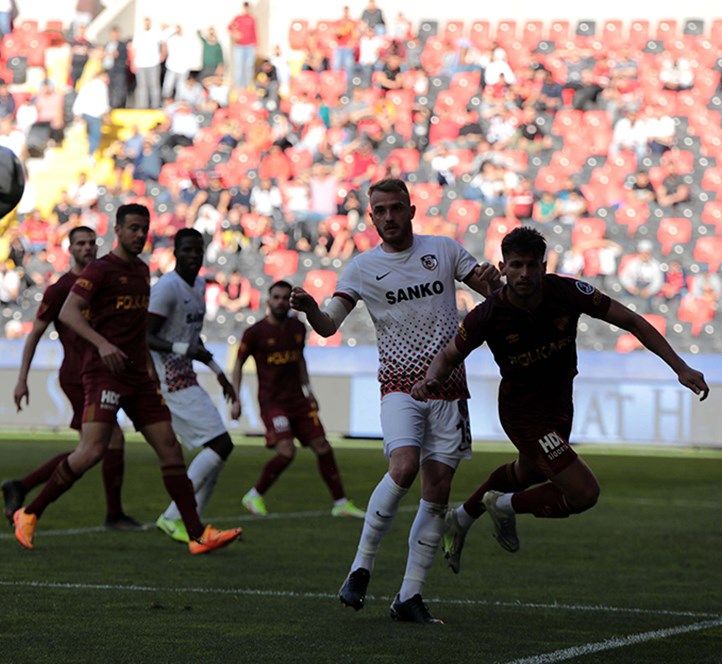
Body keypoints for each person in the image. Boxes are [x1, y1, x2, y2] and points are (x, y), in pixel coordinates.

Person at [412, 226, 708, 574]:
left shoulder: (567, 292)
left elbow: (631, 320)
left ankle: (461, 517)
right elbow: (448, 356)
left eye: (532, 265)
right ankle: (503, 506)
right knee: (583, 493)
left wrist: (680, 367)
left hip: (559, 407)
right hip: (522, 413)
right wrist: (430, 381)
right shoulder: (489, 315)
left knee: (526, 472)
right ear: (503, 267)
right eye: (516, 265)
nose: (524, 274)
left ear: (545, 265)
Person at [290, 177, 499, 624]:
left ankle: (409, 596)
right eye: (380, 211)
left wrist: (496, 282)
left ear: (411, 209)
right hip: (399, 385)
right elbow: (329, 326)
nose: (388, 217)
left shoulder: (443, 250)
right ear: (371, 216)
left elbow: (492, 296)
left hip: (449, 389)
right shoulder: (362, 268)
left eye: (396, 208)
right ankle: (360, 566)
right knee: (403, 467)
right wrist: (310, 309)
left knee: (437, 491)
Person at [11, 204, 242, 555]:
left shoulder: (141, 270)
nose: (139, 234)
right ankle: (29, 512)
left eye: (143, 228)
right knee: (90, 452)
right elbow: (69, 313)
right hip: (103, 373)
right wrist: (102, 345)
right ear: (117, 230)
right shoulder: (101, 270)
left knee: (170, 449)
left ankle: (196, 534)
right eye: (133, 228)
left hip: (137, 376)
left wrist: (147, 366)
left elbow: (137, 328)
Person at [5, 227, 140, 530]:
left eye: (92, 243)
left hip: (103, 374)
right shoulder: (59, 289)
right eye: (81, 243)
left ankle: (21, 486)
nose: (88, 248)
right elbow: (34, 336)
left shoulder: (104, 281)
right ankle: (113, 514)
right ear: (70, 249)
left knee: (93, 447)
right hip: (78, 377)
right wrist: (22, 379)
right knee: (105, 442)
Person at [230, 280, 365, 519]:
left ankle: (341, 503)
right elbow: (239, 363)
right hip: (273, 403)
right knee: (286, 451)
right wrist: (236, 398)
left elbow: (300, 360)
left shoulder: (297, 328)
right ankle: (254, 494)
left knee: (323, 447)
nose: (281, 301)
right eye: (277, 297)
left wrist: (308, 389)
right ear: (268, 301)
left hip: (298, 401)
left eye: (285, 297)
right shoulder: (255, 333)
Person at [146, 229, 241, 542]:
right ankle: (175, 517)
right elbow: (148, 337)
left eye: (197, 250)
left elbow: (192, 337)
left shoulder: (199, 285)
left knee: (217, 451)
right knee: (221, 445)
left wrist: (218, 371)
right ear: (175, 252)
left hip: (187, 375)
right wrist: (185, 351)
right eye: (186, 250)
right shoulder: (166, 289)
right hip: (169, 381)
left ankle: (193, 526)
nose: (192, 256)